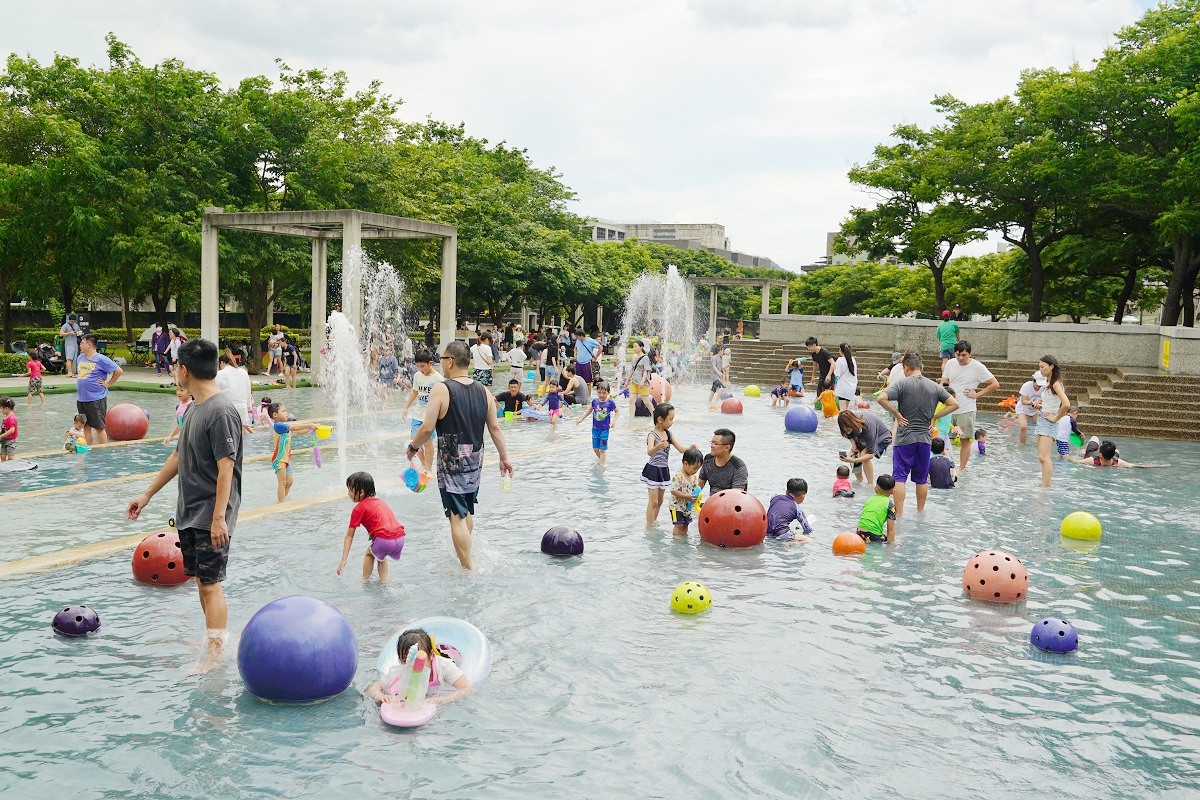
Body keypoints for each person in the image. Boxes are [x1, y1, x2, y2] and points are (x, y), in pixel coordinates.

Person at [126, 338, 244, 674]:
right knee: (200, 581)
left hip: (211, 514)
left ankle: (215, 653)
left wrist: (219, 518)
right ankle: (212, 638)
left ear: (184, 370)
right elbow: (178, 455)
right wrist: (147, 495)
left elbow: (226, 467)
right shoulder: (194, 408)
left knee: (210, 583)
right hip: (190, 511)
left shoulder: (221, 411)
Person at [407, 339, 514, 571]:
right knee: (465, 508)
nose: (441, 363)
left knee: (456, 515)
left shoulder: (442, 389)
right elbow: (495, 427)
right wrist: (504, 458)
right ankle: (465, 553)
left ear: (451, 361)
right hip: (475, 459)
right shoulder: (483, 390)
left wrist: (413, 448)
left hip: (452, 460)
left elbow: (427, 428)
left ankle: (468, 569)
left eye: (443, 358)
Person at [876, 352, 957, 516]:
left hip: (904, 439)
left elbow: (881, 398)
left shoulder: (902, 384)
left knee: (899, 478)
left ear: (906, 367)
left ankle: (899, 514)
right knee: (921, 479)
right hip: (925, 439)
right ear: (922, 368)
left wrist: (897, 414)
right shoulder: (935, 386)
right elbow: (954, 404)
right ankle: (920, 512)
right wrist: (935, 417)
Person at [365, 628, 472, 706]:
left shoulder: (444, 666)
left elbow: (467, 689)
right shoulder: (402, 671)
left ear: (431, 655)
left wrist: (441, 699)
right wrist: (379, 696)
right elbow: (372, 687)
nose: (412, 665)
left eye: (418, 660)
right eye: (405, 660)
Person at [941, 341, 998, 473]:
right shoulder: (950, 363)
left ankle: (961, 469)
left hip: (966, 409)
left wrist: (977, 395)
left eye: (964, 355)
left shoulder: (977, 367)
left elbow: (994, 384)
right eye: (958, 354)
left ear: (970, 354)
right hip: (949, 408)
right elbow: (944, 382)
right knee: (942, 438)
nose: (960, 358)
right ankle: (945, 466)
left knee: (965, 440)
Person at [337, 471, 406, 582]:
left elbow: (349, 536)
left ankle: (365, 581)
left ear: (361, 492)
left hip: (384, 541)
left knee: (369, 554)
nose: (348, 493)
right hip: (400, 538)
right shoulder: (380, 502)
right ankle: (384, 582)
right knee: (380, 556)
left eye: (350, 490)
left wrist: (344, 559)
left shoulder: (358, 509)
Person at [642, 403, 692, 525]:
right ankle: (649, 526)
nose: (672, 422)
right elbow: (649, 452)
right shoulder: (652, 434)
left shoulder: (669, 434)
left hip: (663, 470)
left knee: (660, 501)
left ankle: (654, 521)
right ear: (660, 419)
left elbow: (680, 449)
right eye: (670, 419)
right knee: (653, 502)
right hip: (653, 470)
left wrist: (690, 448)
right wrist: (658, 446)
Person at [75, 333, 123, 445]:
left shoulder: (101, 359)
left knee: (99, 427)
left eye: (82, 343)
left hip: (96, 399)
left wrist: (108, 384)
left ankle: (102, 451)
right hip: (82, 398)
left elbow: (118, 371)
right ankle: (88, 448)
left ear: (89, 344)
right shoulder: (80, 358)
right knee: (86, 426)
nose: (80, 345)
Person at [402, 349, 444, 474]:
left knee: (428, 443)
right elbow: (415, 392)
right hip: (417, 414)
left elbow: (443, 398)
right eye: (418, 366)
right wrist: (406, 407)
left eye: (423, 366)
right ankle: (424, 465)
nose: (420, 369)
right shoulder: (417, 376)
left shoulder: (438, 379)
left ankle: (428, 468)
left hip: (430, 416)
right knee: (414, 443)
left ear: (430, 363)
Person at [268, 401, 318, 503]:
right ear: (275, 414)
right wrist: (309, 425)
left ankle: (282, 500)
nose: (286, 413)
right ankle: (281, 504)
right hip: (279, 459)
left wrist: (312, 429)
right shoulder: (278, 426)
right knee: (282, 483)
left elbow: (298, 431)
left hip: (286, 459)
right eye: (283, 411)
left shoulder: (285, 427)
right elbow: (294, 427)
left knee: (289, 482)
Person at [1034, 355, 1070, 488]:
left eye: (1043, 367)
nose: (1040, 370)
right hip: (1042, 419)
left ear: (1051, 366)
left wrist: (1055, 418)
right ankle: (1044, 484)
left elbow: (1066, 404)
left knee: (1044, 457)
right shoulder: (1050, 383)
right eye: (1039, 367)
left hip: (1049, 422)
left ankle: (1045, 487)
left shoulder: (1055, 384)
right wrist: (1040, 404)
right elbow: (1052, 402)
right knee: (1042, 456)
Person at [837, 410, 891, 486]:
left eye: (848, 428)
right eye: (845, 429)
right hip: (862, 436)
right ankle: (859, 480)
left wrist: (854, 460)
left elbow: (871, 454)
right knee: (854, 454)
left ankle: (870, 484)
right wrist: (853, 445)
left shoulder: (869, 427)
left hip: (881, 438)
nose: (846, 430)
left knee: (863, 455)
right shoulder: (848, 421)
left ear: (852, 424)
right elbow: (848, 435)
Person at [579, 381, 618, 466]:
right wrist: (581, 418)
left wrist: (614, 421)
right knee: (595, 449)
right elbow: (590, 410)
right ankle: (603, 460)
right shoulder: (595, 402)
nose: (601, 395)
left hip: (604, 430)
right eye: (599, 393)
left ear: (608, 392)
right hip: (595, 429)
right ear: (597, 392)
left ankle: (602, 465)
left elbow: (617, 412)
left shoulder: (610, 403)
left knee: (602, 450)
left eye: (604, 393)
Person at [698, 427, 749, 493]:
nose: (712, 446)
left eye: (715, 443)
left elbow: (737, 495)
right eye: (711, 442)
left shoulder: (738, 467)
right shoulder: (708, 459)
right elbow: (699, 485)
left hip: (731, 498)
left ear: (727, 448)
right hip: (713, 498)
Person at [667, 448, 704, 537]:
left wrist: (698, 500)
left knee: (686, 524)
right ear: (685, 463)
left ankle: (684, 539)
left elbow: (695, 490)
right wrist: (686, 496)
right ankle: (676, 540)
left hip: (686, 507)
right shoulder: (678, 476)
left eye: (698, 469)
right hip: (676, 506)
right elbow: (673, 491)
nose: (696, 471)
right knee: (678, 525)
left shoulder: (693, 477)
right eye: (694, 468)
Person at [216, 354, 254, 431]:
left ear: (221, 363)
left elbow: (216, 393)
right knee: (243, 432)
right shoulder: (243, 372)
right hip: (243, 408)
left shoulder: (220, 374)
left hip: (227, 409)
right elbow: (248, 390)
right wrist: (249, 406)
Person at [855, 474, 897, 543]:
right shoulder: (890, 505)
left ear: (875, 488)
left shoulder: (869, 499)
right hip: (873, 536)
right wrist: (891, 545)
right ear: (893, 491)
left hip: (859, 532)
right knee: (896, 540)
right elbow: (890, 530)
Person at [627, 339, 655, 418]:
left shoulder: (645, 358)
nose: (634, 348)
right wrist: (627, 381)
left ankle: (654, 415)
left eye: (636, 346)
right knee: (632, 401)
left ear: (641, 347)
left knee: (646, 401)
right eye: (633, 347)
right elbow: (632, 370)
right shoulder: (634, 358)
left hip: (643, 383)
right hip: (634, 382)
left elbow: (646, 370)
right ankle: (631, 418)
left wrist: (642, 381)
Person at [1014, 371, 1043, 445]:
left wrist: (1039, 404)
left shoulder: (1044, 387)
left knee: (1042, 426)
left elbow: (1044, 400)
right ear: (1034, 381)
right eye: (1038, 385)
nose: (1039, 387)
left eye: (1040, 386)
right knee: (1023, 426)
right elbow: (1023, 401)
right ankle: (1022, 445)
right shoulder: (1026, 386)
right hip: (1022, 408)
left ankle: (1040, 445)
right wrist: (1032, 403)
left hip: (1035, 410)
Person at [833, 343, 858, 412]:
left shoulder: (840, 360)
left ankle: (843, 419)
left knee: (842, 410)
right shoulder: (853, 359)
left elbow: (837, 374)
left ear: (841, 350)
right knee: (846, 409)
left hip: (843, 388)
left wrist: (834, 367)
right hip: (851, 387)